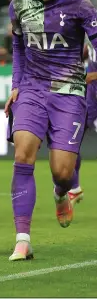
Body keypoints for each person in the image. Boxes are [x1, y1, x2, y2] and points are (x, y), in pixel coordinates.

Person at [4, 0, 97, 261]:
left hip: (69, 91)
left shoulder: (81, 4)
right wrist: (16, 84)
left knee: (61, 172)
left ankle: (63, 191)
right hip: (31, 89)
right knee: (24, 153)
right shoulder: (18, 6)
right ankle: (22, 239)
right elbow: (18, 46)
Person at [68, 44, 97, 206]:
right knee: (71, 141)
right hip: (91, 100)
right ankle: (74, 188)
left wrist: (92, 76)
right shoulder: (91, 28)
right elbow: (87, 50)